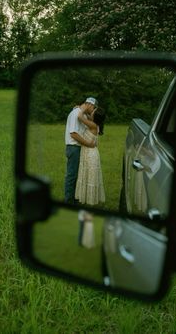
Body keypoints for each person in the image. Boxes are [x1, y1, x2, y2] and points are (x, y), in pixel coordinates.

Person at [75, 106, 106, 247]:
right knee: (87, 178)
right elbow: (86, 118)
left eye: (92, 112)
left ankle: (88, 215)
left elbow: (80, 118)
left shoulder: (93, 125)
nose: (90, 112)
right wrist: (81, 109)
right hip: (89, 154)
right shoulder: (95, 123)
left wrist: (81, 109)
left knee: (90, 180)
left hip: (90, 155)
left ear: (95, 117)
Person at [64, 97, 98, 204]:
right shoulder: (76, 113)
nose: (94, 111)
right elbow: (73, 134)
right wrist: (88, 144)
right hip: (74, 147)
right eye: (94, 108)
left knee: (77, 175)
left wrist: (84, 111)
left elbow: (91, 123)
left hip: (79, 148)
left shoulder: (82, 113)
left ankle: (75, 199)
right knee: (72, 175)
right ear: (90, 105)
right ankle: (69, 201)